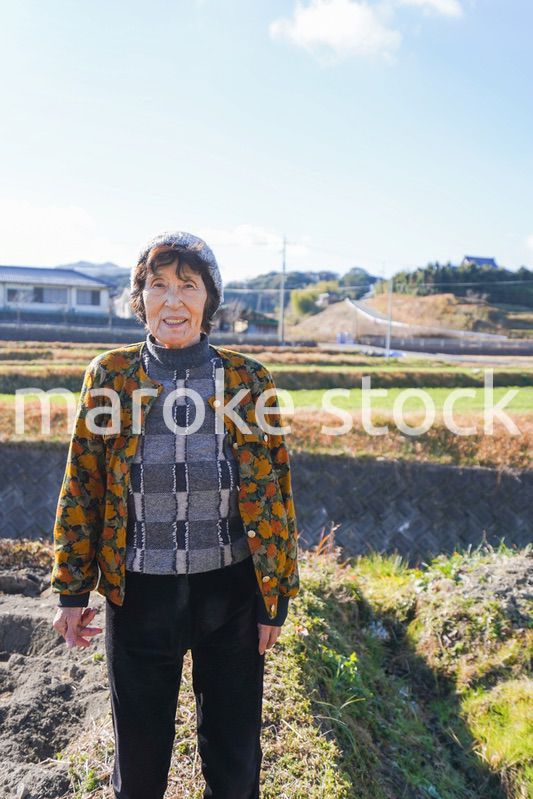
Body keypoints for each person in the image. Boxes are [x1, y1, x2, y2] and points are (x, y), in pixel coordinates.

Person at [50, 231, 300, 799]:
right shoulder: (111, 374)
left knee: (234, 760)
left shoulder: (247, 379)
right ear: (138, 299)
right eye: (156, 285)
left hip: (230, 593)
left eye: (187, 285)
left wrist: (275, 594)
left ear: (209, 298)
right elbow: (82, 484)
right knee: (138, 766)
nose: (172, 300)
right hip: (138, 595)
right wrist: (71, 590)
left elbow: (276, 489)